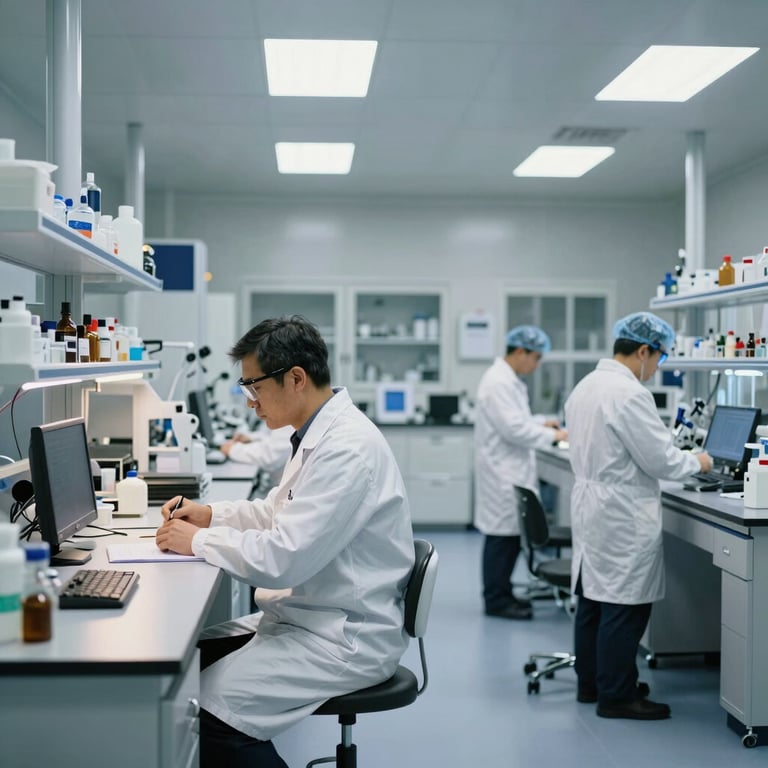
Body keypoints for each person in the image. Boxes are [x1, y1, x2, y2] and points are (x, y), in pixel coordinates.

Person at [155, 315, 415, 768]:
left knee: (208, 715)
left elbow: (282, 559)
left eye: (254, 387)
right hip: (309, 616)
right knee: (184, 662)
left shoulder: (346, 449)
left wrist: (197, 541)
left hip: (344, 635)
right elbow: (277, 513)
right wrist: (211, 514)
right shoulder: (317, 435)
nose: (251, 402)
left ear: (296, 378)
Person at [564, 311, 712, 720]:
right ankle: (617, 696)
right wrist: (699, 462)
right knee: (624, 606)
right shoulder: (629, 393)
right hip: (621, 511)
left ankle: (591, 684)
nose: (658, 366)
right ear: (643, 350)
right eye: (660, 357)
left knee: (593, 600)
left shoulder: (586, 385)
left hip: (594, 505)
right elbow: (661, 460)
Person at [474, 325, 568, 620]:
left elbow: (517, 420)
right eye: (535, 358)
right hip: (502, 470)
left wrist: (541, 422)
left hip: (508, 467)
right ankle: (496, 600)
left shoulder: (508, 380)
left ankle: (502, 593)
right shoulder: (498, 382)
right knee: (502, 538)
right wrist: (554, 436)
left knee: (509, 537)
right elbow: (514, 429)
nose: (536, 365)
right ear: (519, 351)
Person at [219, 422, 293, 473]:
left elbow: (270, 456)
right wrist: (251, 438)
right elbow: (271, 436)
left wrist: (233, 449)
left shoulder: (289, 415)